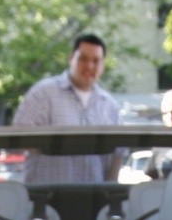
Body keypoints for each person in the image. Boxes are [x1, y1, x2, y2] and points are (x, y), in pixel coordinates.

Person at [10, 34, 122, 183]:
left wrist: (109, 192)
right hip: (47, 198)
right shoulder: (43, 94)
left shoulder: (109, 105)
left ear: (103, 65)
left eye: (96, 61)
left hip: (94, 199)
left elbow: (119, 153)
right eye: (83, 59)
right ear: (71, 58)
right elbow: (19, 138)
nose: (89, 66)